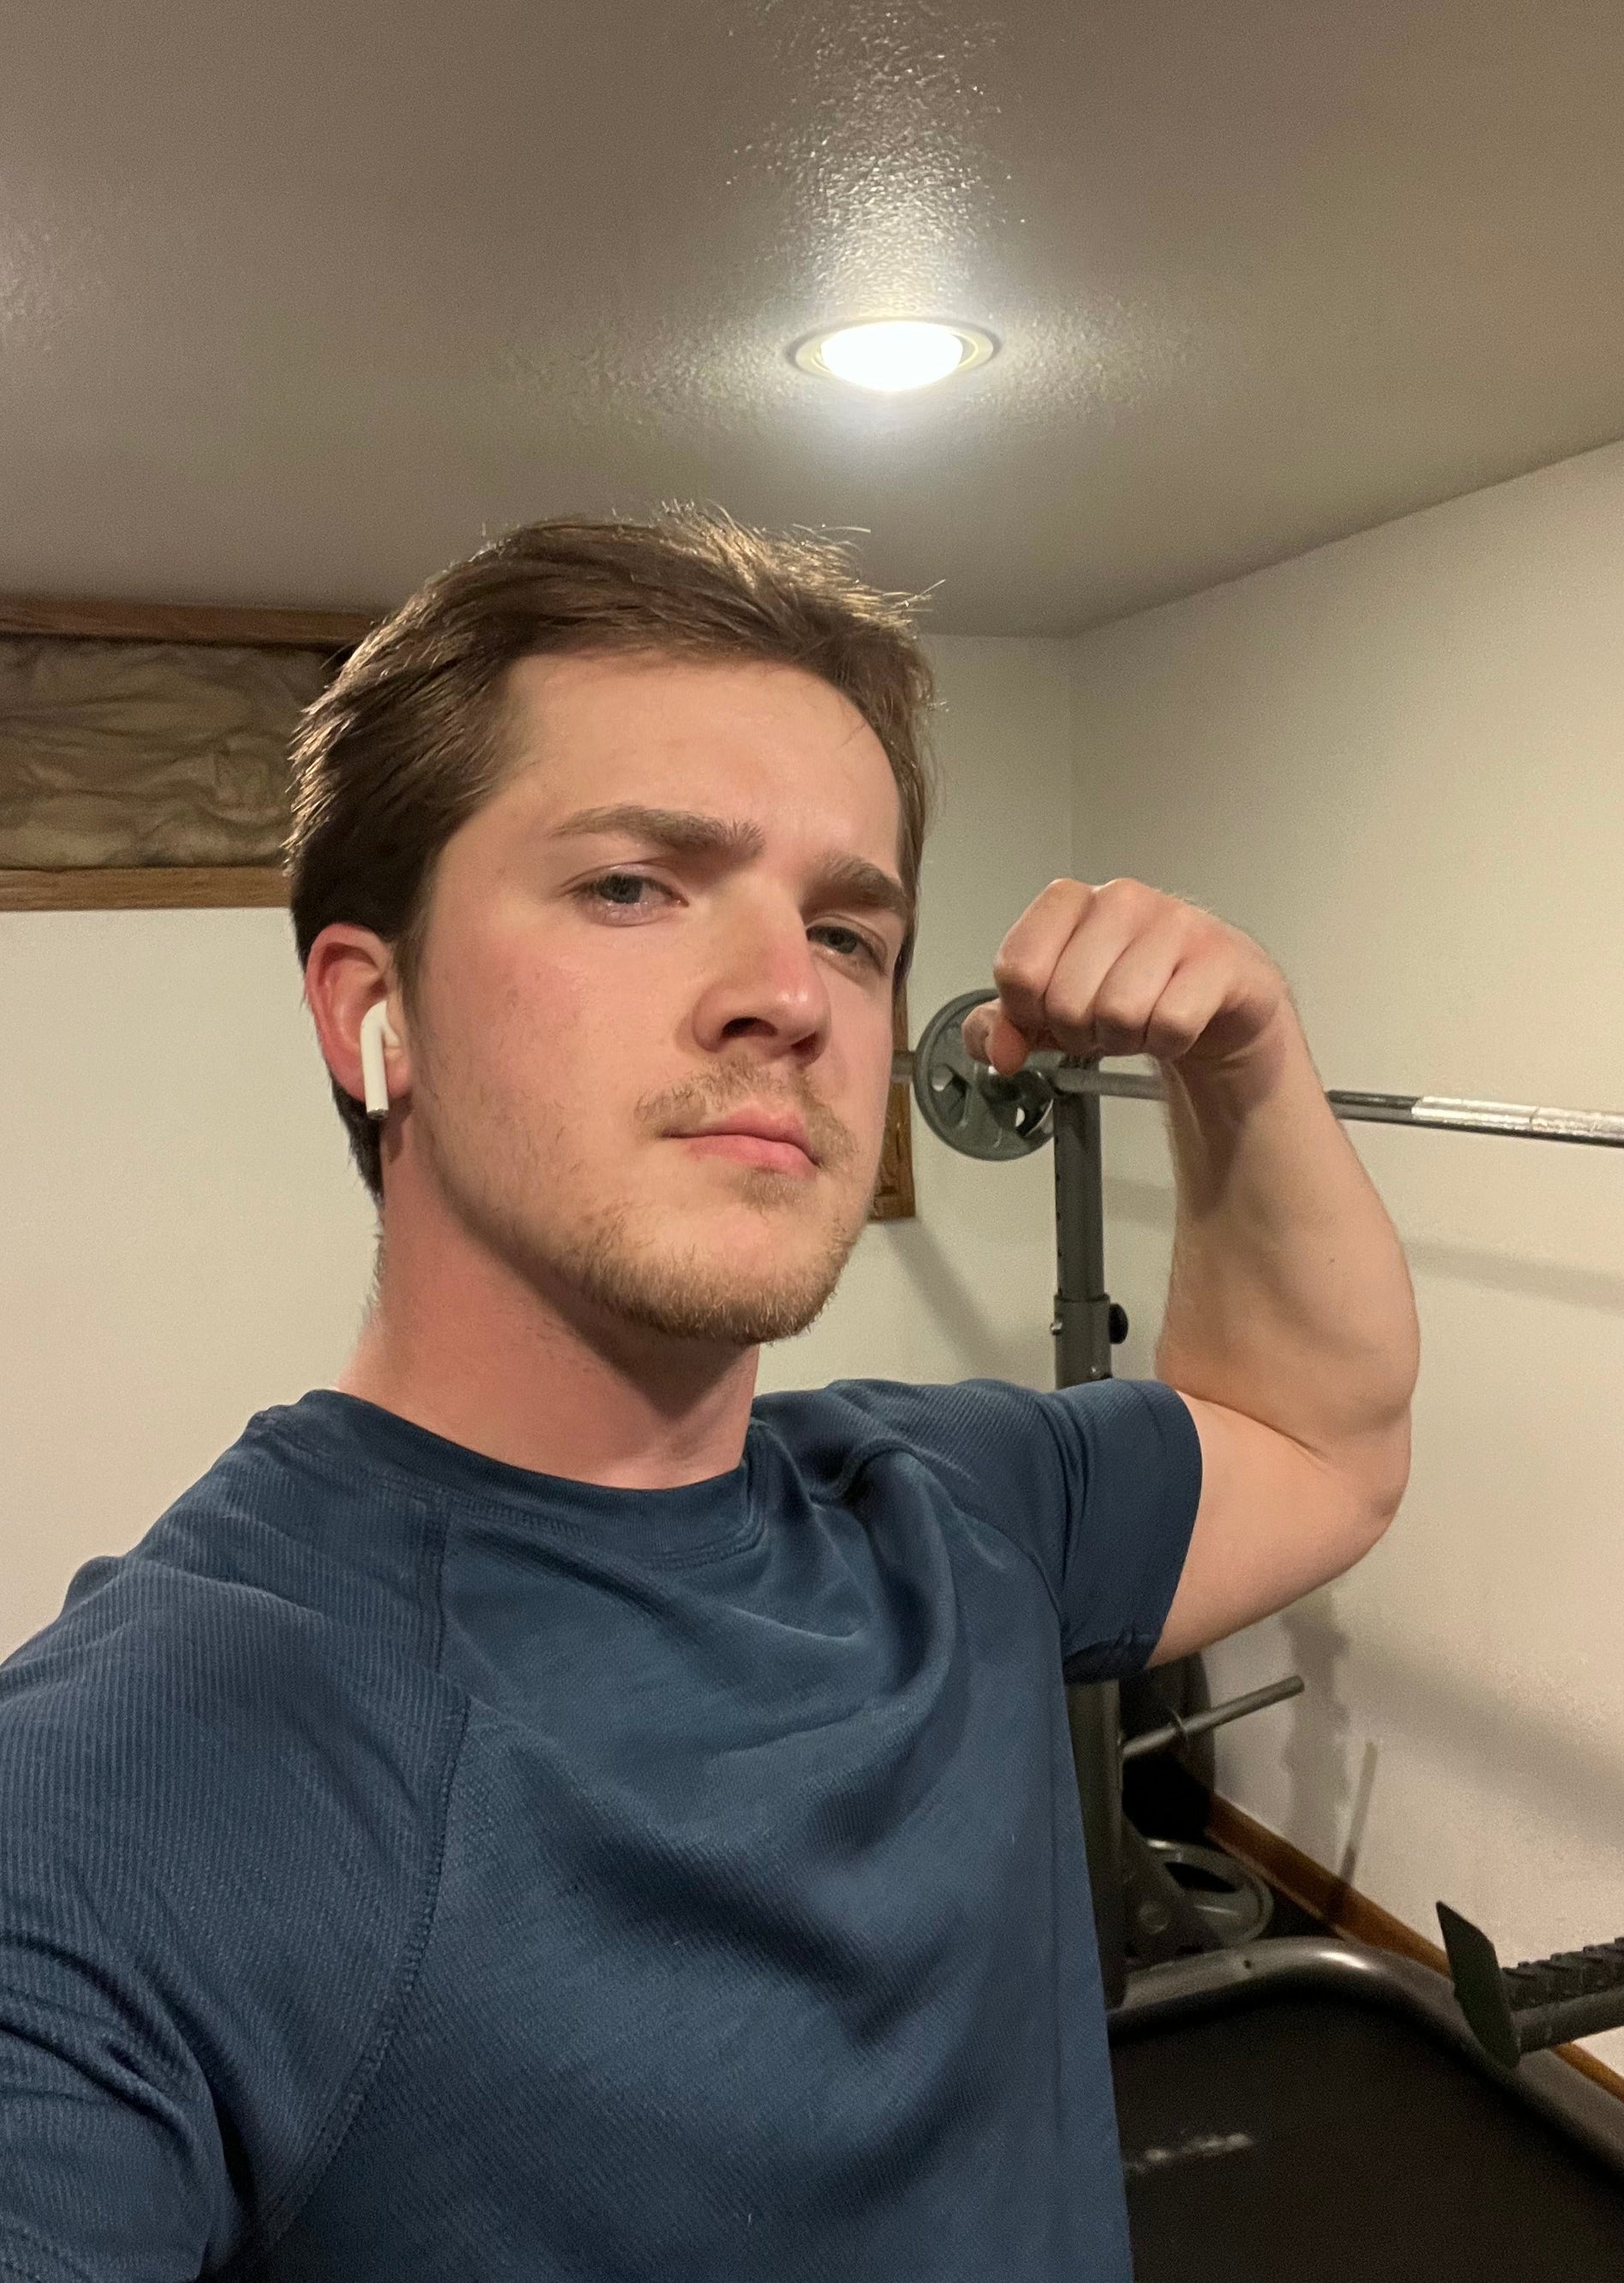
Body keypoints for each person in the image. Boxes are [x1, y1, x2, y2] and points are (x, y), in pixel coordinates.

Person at [0, 514, 1418, 2283]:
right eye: (632, 884)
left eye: (845, 927)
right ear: (377, 1015)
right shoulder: (147, 1775)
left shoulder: (943, 1500)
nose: (788, 996)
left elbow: (1316, 1440)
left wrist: (1246, 1066)